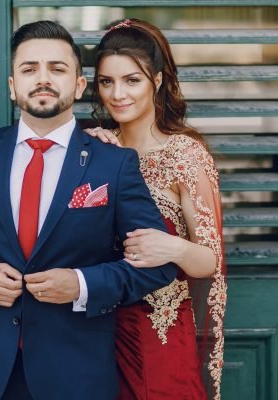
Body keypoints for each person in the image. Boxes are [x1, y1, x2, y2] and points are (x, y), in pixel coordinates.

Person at [0, 20, 178, 400]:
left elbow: (159, 264)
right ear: (13, 86)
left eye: (57, 69)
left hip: (78, 374)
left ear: (79, 85)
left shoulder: (113, 163)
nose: (43, 79)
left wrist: (80, 285)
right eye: (29, 69)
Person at [87, 18, 227, 400]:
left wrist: (174, 248)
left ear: (158, 81)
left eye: (132, 80)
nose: (117, 94)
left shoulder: (185, 155)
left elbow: (208, 261)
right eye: (106, 82)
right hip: (92, 331)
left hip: (158, 337)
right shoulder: (91, 147)